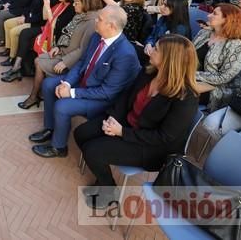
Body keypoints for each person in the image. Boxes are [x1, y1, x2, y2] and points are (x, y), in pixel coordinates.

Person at [74, 34, 199, 208]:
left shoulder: (186, 98)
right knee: (81, 133)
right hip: (127, 123)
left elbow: (163, 137)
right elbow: (126, 97)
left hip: (152, 147)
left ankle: (109, 190)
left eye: (156, 49)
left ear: (169, 59)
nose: (151, 50)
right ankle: (104, 180)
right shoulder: (148, 72)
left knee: (93, 151)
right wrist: (113, 117)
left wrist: (121, 132)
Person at [28, 5, 141, 158]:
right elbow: (82, 63)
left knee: (62, 106)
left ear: (111, 26)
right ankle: (50, 128)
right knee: (48, 85)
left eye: (100, 19)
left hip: (104, 99)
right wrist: (67, 83)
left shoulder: (125, 54)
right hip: (86, 83)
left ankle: (58, 147)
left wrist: (72, 92)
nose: (95, 20)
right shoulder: (97, 36)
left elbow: (107, 92)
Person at [19, 0, 102, 109]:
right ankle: (39, 94)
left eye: (77, 2)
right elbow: (66, 33)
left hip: (71, 59)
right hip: (63, 51)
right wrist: (57, 46)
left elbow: (83, 50)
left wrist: (65, 62)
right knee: (38, 60)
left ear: (86, 3)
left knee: (39, 63)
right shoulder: (80, 15)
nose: (73, 5)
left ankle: (34, 96)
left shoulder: (91, 23)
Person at [1, 0, 69, 83]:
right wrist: (24, 15)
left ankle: (15, 64)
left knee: (22, 33)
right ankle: (14, 61)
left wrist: (46, 5)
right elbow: (30, 8)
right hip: (37, 22)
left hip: (40, 25)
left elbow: (45, 19)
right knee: (14, 28)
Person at [192, 4, 241, 111]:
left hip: (215, 87)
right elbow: (189, 54)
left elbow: (223, 78)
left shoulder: (237, 47)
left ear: (227, 20)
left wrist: (191, 75)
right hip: (192, 78)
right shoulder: (204, 32)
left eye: (214, 14)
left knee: (177, 90)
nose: (208, 16)